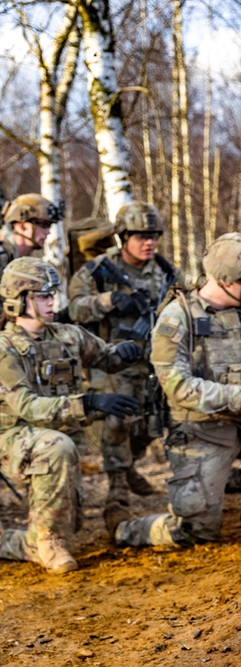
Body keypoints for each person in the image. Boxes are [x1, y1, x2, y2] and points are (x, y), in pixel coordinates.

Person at [0, 258, 142, 573]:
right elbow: (28, 406)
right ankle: (48, 543)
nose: (52, 303)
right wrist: (88, 403)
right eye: (43, 296)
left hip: (55, 436)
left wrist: (129, 350)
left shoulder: (67, 336)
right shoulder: (2, 349)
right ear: (19, 301)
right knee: (57, 448)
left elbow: (106, 357)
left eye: (52, 295)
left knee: (69, 523)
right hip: (10, 436)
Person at [105, 233, 241, 549]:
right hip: (202, 430)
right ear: (224, 280)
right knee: (197, 529)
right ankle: (126, 530)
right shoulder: (177, 318)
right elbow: (178, 387)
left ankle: (224, 479)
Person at [67, 201, 178, 504]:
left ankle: (128, 466)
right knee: (118, 420)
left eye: (154, 235)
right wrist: (109, 301)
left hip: (153, 360)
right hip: (111, 360)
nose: (149, 242)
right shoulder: (101, 269)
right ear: (123, 237)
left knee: (153, 422)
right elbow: (73, 309)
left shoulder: (165, 271)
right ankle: (116, 490)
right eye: (141, 236)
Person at [2, 193, 64, 259]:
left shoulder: (27, 259)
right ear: (22, 226)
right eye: (44, 225)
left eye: (49, 225)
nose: (48, 232)